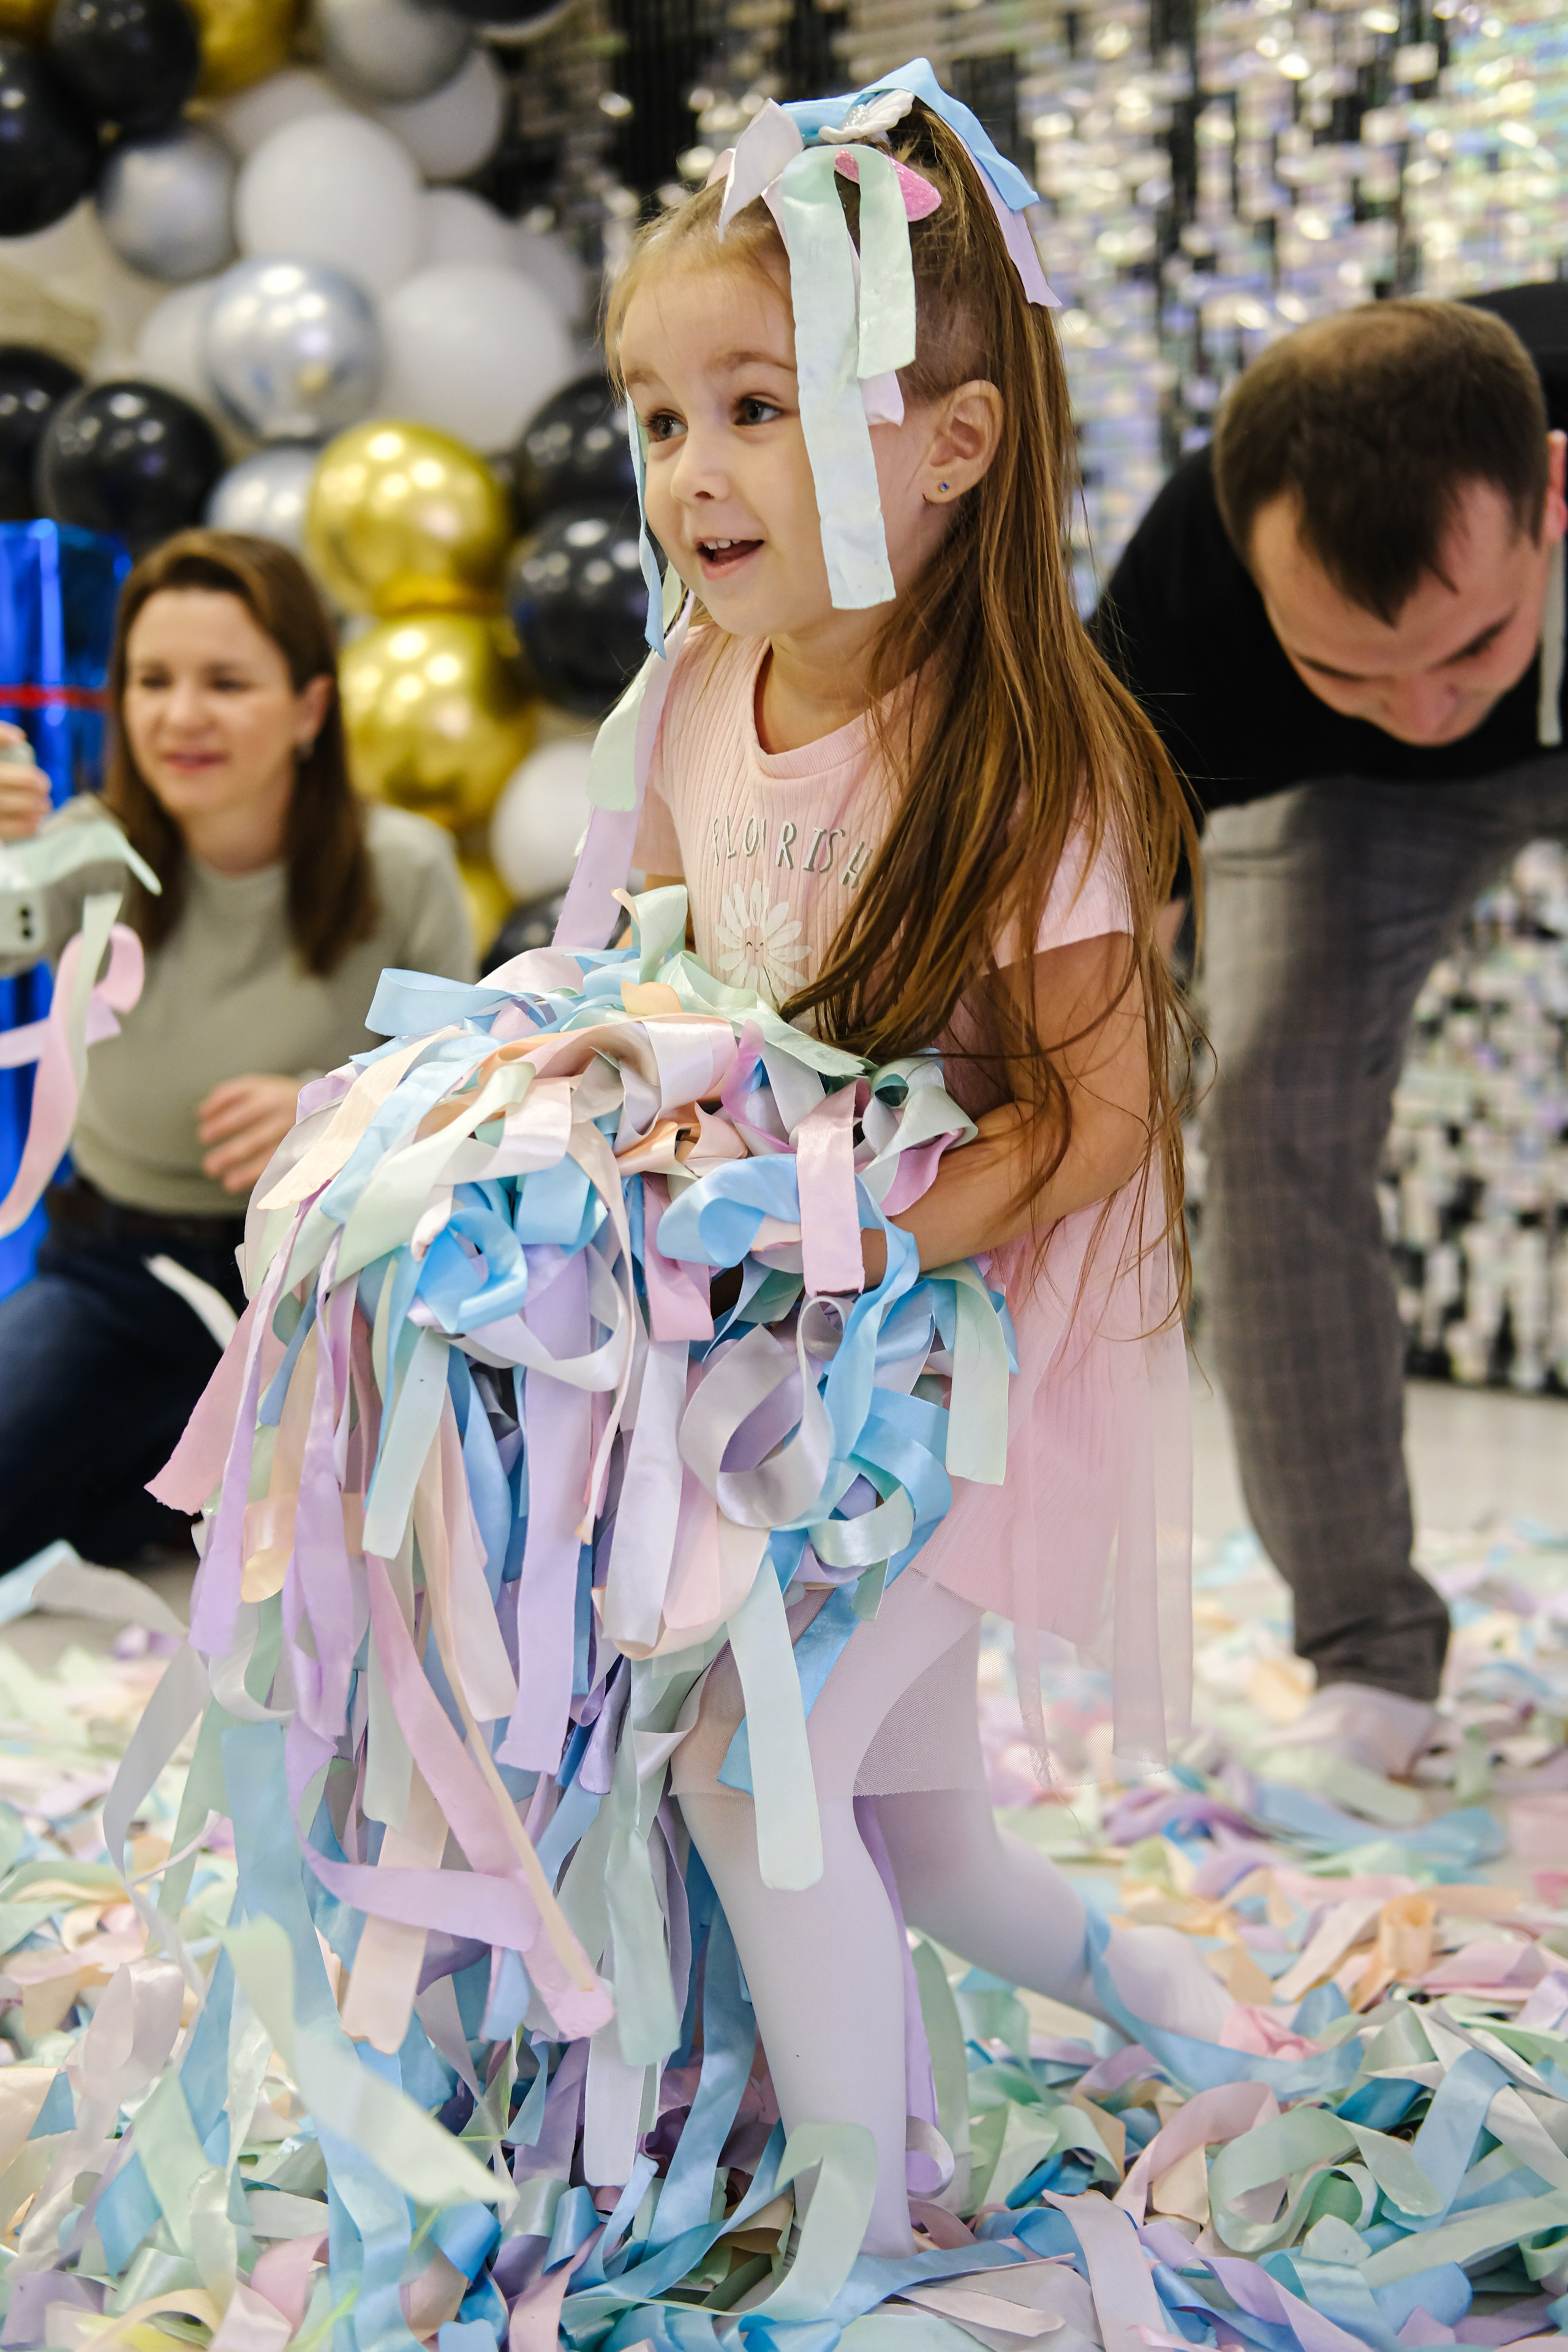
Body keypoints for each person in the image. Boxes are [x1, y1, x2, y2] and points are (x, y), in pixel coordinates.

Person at [605, 85, 1220, 2255]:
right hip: (783, 1352)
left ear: (952, 445)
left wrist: (850, 1235)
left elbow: (1097, 1121)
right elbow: (657, 974)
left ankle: (870, 2219)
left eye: (755, 409)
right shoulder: (694, 697)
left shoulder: (1029, 754)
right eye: (659, 419)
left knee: (752, 1760)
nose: (691, 471)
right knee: (926, 1834)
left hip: (955, 1367)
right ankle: (1190, 2017)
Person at [1092, 294, 1568, 1774]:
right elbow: (1096, 947)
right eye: (1350, 668)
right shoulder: (1180, 606)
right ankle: (1365, 1656)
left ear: (1552, 494)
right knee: (1267, 1115)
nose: (1422, 709)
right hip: (1337, 809)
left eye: (1467, 646)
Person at [0, 528, 474, 1575]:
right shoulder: (80, 853)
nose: (180, 716)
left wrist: (335, 1108)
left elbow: (470, 1101)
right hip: (118, 1279)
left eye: (225, 682)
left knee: (389, 1562)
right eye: (151, 681)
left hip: (327, 1295)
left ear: (309, 708)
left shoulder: (405, 868)